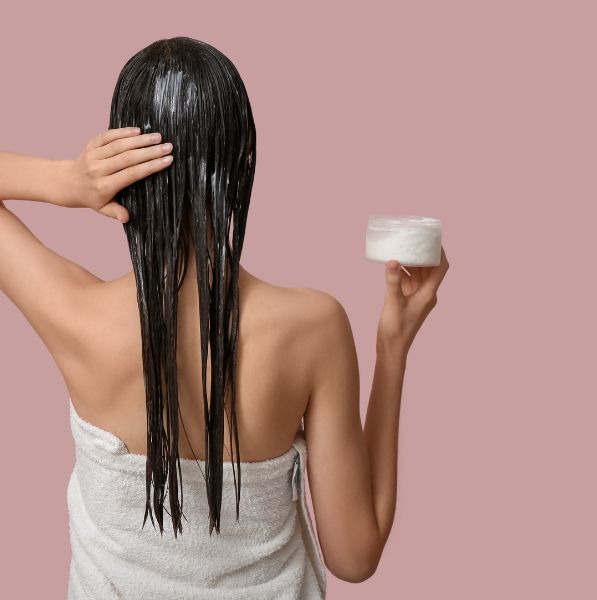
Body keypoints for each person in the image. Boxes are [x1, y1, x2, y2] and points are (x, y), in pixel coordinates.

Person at [0, 36, 449, 599]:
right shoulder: (312, 329)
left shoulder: (76, 315)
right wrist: (392, 348)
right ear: (244, 161)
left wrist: (65, 180)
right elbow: (355, 557)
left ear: (119, 169)